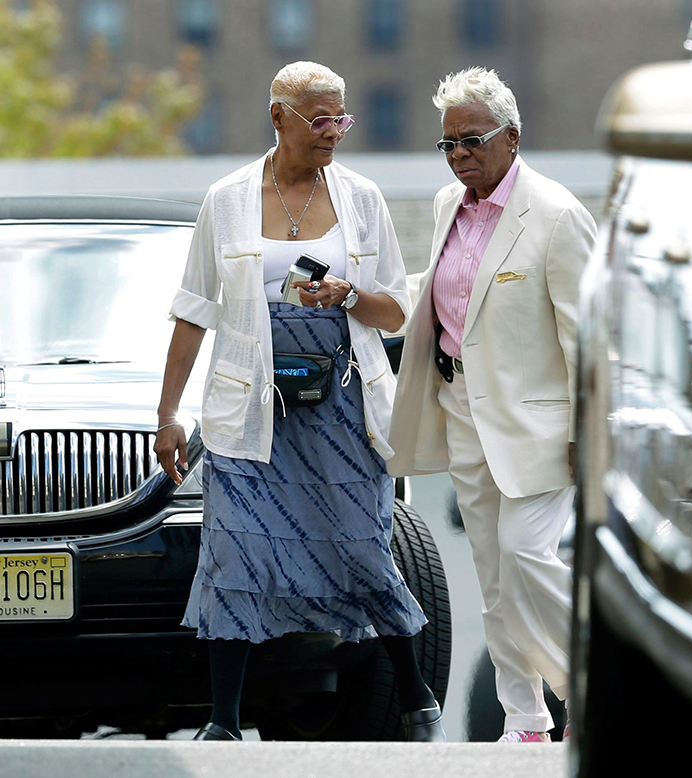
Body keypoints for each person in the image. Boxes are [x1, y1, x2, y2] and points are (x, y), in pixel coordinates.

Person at [154, 61, 445, 743]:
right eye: (320, 119)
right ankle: (223, 721)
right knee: (235, 548)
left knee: (362, 542)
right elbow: (193, 312)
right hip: (252, 407)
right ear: (278, 115)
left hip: (341, 403)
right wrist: (167, 414)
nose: (334, 132)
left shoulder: (362, 198)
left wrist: (345, 294)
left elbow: (397, 310)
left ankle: (414, 691)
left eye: (341, 118)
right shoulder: (225, 200)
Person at [387, 67, 597, 743]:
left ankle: (594, 694)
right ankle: (526, 720)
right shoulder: (450, 205)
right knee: (495, 576)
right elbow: (444, 293)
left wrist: (588, 432)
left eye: (471, 140)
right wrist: (362, 296)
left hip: (541, 427)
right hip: (462, 412)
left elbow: (589, 335)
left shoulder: (558, 215)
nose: (459, 155)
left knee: (527, 554)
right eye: (447, 144)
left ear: (512, 137)